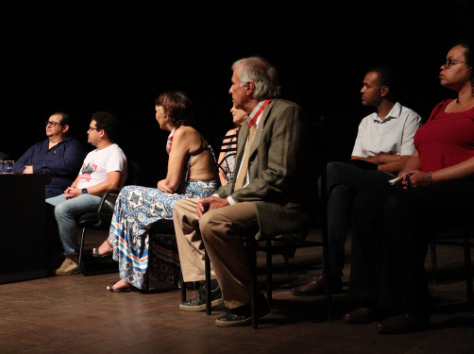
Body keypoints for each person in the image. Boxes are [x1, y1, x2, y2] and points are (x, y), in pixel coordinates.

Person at [172, 57, 315, 327]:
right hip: (248, 198)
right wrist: (218, 195)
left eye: (233, 84)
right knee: (183, 208)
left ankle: (247, 300)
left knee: (213, 220)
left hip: (278, 203)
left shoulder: (285, 112)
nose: (229, 90)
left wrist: (228, 200)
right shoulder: (249, 123)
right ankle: (213, 283)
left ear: (249, 87)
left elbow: (280, 175)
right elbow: (238, 179)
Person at [345, 41, 474, 334]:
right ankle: (370, 298)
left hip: (462, 187)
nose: (442, 67)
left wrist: (430, 178)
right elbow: (418, 150)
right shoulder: (441, 107)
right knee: (368, 201)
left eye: (451, 62)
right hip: (427, 184)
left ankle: (410, 307)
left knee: (402, 206)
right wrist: (410, 171)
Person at [292, 67, 421, 296]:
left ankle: (296, 223)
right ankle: (330, 274)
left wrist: (375, 161)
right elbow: (355, 161)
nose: (361, 90)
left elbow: (407, 163)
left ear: (384, 90)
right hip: (366, 180)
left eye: (367, 86)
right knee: (338, 193)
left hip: (392, 184)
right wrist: (385, 158)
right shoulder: (366, 122)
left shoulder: (409, 118)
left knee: (333, 169)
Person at [95, 92, 219, 292]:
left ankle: (113, 242)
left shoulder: (183, 132)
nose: (155, 115)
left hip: (196, 199)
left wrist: (162, 183)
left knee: (128, 194)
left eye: (157, 111)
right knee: (133, 209)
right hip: (187, 195)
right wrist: (164, 184)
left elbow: (170, 184)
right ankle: (130, 276)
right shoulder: (181, 133)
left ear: (167, 114)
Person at [47, 112, 128, 276]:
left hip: (104, 201)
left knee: (62, 209)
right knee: (43, 205)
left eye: (91, 129)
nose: (87, 132)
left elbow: (113, 183)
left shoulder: (114, 152)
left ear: (101, 132)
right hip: (83, 196)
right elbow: (81, 178)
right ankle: (55, 253)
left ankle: (73, 258)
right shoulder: (92, 154)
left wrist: (82, 191)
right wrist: (72, 189)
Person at [14, 113, 87, 198]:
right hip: (30, 186)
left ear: (65, 128)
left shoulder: (72, 145)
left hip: (56, 189)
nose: (48, 126)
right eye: (48, 123)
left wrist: (35, 169)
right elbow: (16, 166)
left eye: (53, 123)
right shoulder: (37, 147)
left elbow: (68, 164)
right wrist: (26, 170)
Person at [216, 107, 248, 186]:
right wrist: (223, 183)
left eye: (236, 107)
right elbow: (220, 167)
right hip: (227, 188)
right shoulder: (230, 134)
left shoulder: (256, 134)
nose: (231, 110)